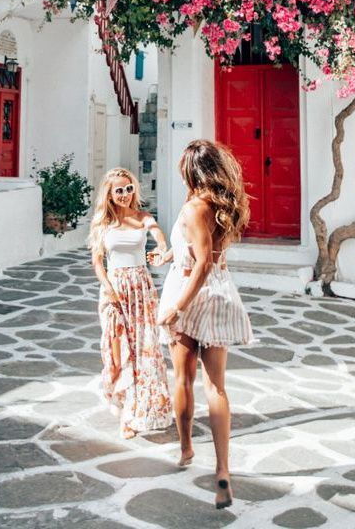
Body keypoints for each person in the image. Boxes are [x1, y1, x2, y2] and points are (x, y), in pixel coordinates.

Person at [152, 139, 253, 509]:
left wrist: (177, 307)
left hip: (191, 292)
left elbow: (201, 264)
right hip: (221, 293)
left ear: (191, 171)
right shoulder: (224, 205)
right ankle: (223, 469)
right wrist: (167, 253)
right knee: (217, 387)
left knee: (183, 379)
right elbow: (205, 250)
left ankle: (186, 448)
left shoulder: (195, 207)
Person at [89, 167, 173, 439]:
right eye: (119, 190)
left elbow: (158, 234)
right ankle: (122, 405)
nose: (125, 194)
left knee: (143, 350)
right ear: (110, 195)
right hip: (114, 291)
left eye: (128, 188)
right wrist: (108, 288)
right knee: (118, 351)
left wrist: (161, 249)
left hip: (140, 290)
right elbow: (97, 263)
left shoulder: (143, 218)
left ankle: (133, 415)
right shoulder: (103, 224)